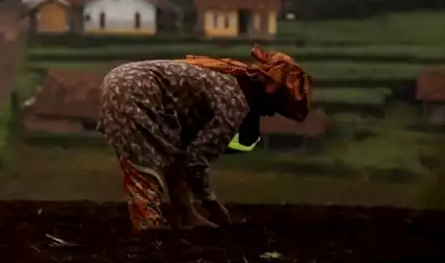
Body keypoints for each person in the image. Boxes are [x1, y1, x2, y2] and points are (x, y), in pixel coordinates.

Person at [97, 44, 313, 231]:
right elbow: (196, 161)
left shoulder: (229, 83)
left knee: (171, 154)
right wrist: (211, 204)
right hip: (135, 90)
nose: (272, 112)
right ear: (269, 91)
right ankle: (149, 231)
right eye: (277, 105)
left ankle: (186, 216)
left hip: (123, 79)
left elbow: (183, 156)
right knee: (143, 168)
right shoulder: (234, 104)